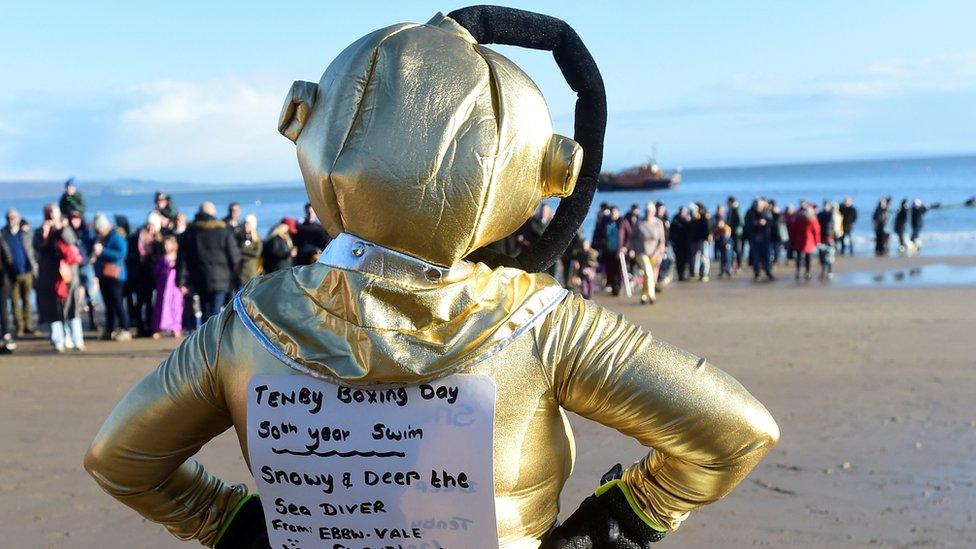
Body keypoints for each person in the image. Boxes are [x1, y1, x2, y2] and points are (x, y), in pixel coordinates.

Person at [86, 10, 778, 549]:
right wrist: (621, 521)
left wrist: (232, 525)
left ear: (310, 124)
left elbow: (121, 459)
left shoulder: (250, 323)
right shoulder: (544, 323)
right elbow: (734, 433)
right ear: (534, 174)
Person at [176, 201, 240, 322]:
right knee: (216, 311)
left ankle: (206, 337)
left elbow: (182, 259)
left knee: (205, 310)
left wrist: (181, 281)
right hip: (221, 278)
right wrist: (233, 276)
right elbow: (235, 257)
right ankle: (213, 338)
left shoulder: (190, 232)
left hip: (199, 277)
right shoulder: (223, 231)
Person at [34, 203, 84, 352]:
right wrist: (45, 233)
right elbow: (37, 247)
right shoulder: (40, 231)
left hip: (69, 275)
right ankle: (58, 340)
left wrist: (60, 228)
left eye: (53, 213)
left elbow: (71, 241)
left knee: (72, 307)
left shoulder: (65, 228)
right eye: (48, 213)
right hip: (51, 276)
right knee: (53, 309)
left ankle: (77, 339)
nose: (50, 216)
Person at [92, 214, 131, 341]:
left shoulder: (116, 237)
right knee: (108, 304)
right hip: (103, 275)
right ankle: (110, 329)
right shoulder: (99, 238)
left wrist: (103, 251)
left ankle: (125, 329)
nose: (98, 232)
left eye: (99, 229)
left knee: (117, 302)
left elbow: (121, 254)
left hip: (115, 275)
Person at [125, 212, 162, 337]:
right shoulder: (136, 237)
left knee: (150, 302)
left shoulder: (158, 240)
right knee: (140, 301)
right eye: (150, 224)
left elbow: (160, 257)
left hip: (152, 275)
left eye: (154, 225)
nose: (151, 228)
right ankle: (140, 327)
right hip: (138, 274)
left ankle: (150, 327)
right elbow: (130, 255)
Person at [2, 209, 37, 337]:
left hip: (26, 271)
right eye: (9, 218)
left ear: (18, 219)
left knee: (27, 300)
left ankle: (28, 325)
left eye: (14, 217)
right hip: (11, 274)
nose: (12, 220)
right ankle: (19, 327)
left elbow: (33, 249)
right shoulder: (3, 235)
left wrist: (34, 266)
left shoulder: (25, 234)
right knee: (15, 302)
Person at [629, 202, 666, 304]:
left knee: (647, 274)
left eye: (650, 211)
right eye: (646, 211)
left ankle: (644, 296)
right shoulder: (639, 223)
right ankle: (652, 296)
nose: (648, 213)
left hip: (655, 253)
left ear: (653, 212)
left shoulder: (658, 223)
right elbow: (632, 238)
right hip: (641, 252)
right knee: (648, 272)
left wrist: (661, 253)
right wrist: (632, 249)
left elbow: (662, 240)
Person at [151, 235, 184, 339]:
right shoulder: (161, 259)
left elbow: (184, 272)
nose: (165, 246)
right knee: (160, 306)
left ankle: (176, 327)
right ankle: (158, 328)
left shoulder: (178, 259)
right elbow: (155, 272)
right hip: (163, 287)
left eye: (168, 244)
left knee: (176, 306)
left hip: (175, 287)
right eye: (165, 244)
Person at [601, 205, 631, 295]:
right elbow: (602, 234)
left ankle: (618, 287)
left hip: (619, 251)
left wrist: (625, 247)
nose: (613, 214)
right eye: (612, 213)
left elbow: (630, 236)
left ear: (618, 213)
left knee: (618, 270)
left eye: (615, 212)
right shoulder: (606, 222)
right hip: (608, 250)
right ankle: (613, 287)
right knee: (610, 269)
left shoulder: (623, 222)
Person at [747, 199, 775, 281]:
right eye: (757, 205)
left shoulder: (767, 212)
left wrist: (765, 223)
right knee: (756, 258)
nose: (758, 207)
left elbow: (773, 224)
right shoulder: (750, 213)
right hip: (755, 239)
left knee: (767, 257)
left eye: (760, 205)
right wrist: (755, 223)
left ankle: (768, 272)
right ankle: (757, 274)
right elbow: (747, 225)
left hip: (766, 238)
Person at [790, 205, 821, 280]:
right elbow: (816, 231)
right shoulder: (812, 219)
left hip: (802, 240)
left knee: (800, 257)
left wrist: (792, 239)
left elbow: (792, 230)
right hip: (806, 241)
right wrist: (817, 242)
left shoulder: (799, 219)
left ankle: (799, 272)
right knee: (806, 257)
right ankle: (806, 272)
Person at [236, 214, 263, 286]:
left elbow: (256, 253)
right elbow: (236, 252)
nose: (245, 225)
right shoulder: (240, 238)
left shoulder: (257, 239)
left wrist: (243, 251)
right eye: (245, 223)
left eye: (248, 224)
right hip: (240, 274)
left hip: (251, 273)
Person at [0, 234, 15, 353]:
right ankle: (5, 334)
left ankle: (6, 334)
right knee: (3, 308)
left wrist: (11, 276)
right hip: (4, 278)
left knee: (3, 308)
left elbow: (8, 258)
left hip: (2, 279)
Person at [689, 202, 711, 282]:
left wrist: (708, 236)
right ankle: (695, 273)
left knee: (704, 257)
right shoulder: (692, 219)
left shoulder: (704, 218)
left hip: (702, 240)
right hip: (694, 240)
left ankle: (704, 274)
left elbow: (708, 228)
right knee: (695, 257)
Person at [669, 206, 692, 281]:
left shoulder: (688, 220)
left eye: (684, 212)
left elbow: (692, 230)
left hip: (686, 243)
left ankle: (684, 274)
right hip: (677, 243)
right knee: (679, 260)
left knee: (686, 260)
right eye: (682, 212)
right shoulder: (675, 220)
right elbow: (671, 232)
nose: (683, 213)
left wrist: (689, 222)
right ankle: (680, 275)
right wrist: (671, 241)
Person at [726, 195, 744, 271]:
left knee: (737, 249)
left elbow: (741, 222)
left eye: (728, 203)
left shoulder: (737, 209)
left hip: (737, 233)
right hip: (731, 232)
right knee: (732, 249)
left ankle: (739, 266)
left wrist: (732, 226)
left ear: (731, 202)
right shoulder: (731, 209)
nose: (727, 204)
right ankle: (733, 265)